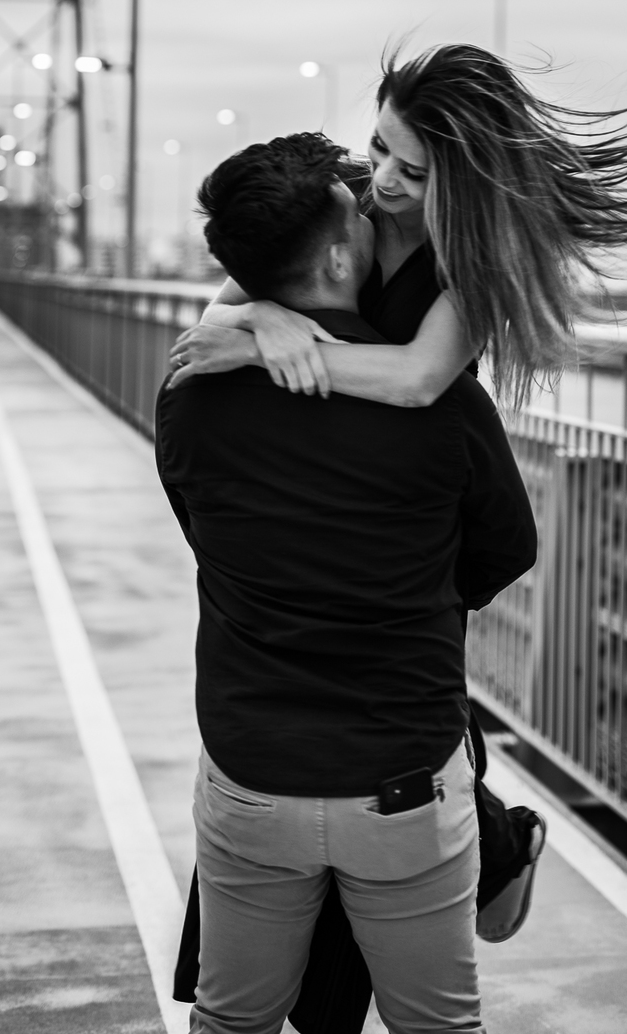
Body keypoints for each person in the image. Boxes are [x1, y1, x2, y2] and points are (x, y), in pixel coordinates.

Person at [156, 132, 538, 1034]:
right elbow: (505, 549)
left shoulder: (193, 391)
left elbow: (199, 519)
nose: (374, 207)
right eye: (357, 204)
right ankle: (498, 844)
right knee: (437, 1025)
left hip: (253, 771)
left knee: (232, 1019)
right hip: (401, 773)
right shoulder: (444, 405)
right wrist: (407, 592)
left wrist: (256, 320)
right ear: (337, 253)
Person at [168, 42, 627, 410]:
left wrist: (255, 352)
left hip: (407, 473)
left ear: (466, 177)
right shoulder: (334, 193)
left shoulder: (482, 251)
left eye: (415, 172)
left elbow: (419, 377)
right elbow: (215, 320)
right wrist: (261, 318)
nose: (382, 180)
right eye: (380, 145)